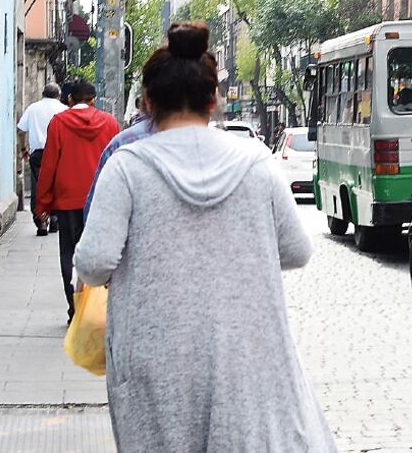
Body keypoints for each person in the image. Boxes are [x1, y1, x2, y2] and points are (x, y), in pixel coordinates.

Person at [74, 22, 336, 451]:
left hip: (154, 358)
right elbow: (296, 249)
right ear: (213, 101)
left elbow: (94, 262)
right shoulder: (256, 162)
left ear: (148, 102)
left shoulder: (127, 168)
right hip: (246, 354)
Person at [35, 80, 120, 322]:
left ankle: (74, 308)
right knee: (100, 253)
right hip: (100, 199)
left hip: (67, 199)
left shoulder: (59, 123)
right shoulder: (110, 123)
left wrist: (42, 204)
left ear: (70, 99)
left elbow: (49, 165)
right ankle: (95, 309)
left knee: (68, 254)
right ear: (93, 100)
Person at [17, 83, 68, 236]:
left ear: (43, 94)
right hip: (58, 153)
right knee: (56, 185)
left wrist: (24, 149)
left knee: (38, 186)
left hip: (38, 153)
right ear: (59, 95)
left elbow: (21, 130)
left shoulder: (33, 108)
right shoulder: (64, 109)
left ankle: (41, 221)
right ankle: (54, 218)